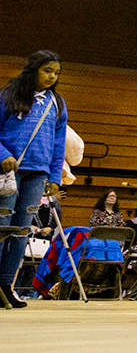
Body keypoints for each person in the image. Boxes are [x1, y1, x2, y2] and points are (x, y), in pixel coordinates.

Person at [0, 51, 67, 310]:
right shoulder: (9, 95)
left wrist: (54, 177)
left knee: (20, 232)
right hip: (7, 172)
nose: (52, 76)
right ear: (34, 69)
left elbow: (58, 145)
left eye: (56, 72)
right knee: (1, 228)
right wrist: (3, 154)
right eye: (47, 70)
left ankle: (7, 285)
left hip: (37, 175)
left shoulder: (57, 104)